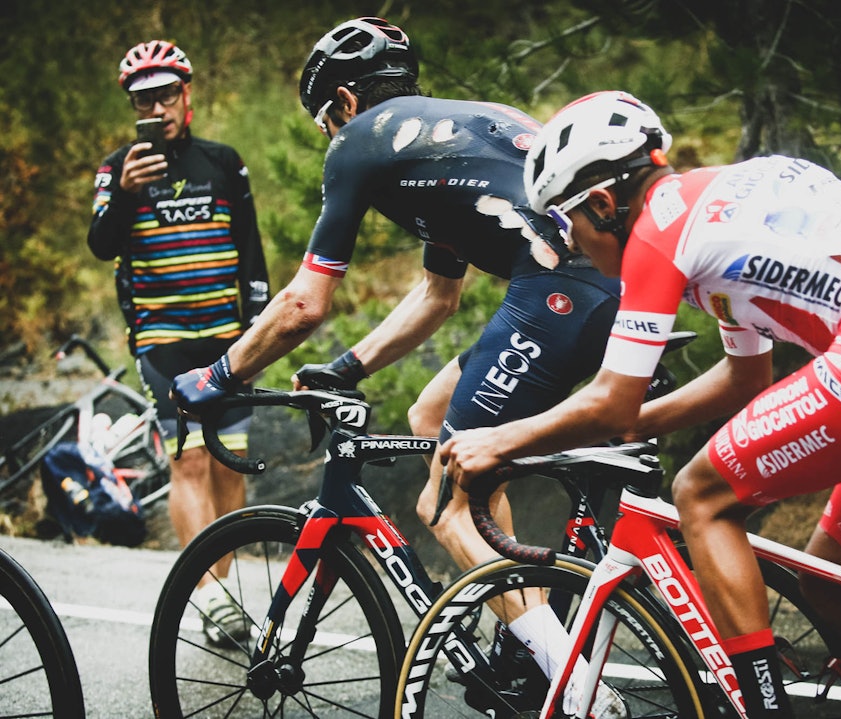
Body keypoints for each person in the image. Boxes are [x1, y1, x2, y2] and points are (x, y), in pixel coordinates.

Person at [440, 91, 841, 717]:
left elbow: (611, 399)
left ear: (602, 204)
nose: (569, 245)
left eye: (566, 223)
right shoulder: (714, 206)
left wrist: (500, 440)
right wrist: (602, 435)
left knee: (701, 495)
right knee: (829, 581)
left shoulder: (659, 229)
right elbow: (742, 379)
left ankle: (762, 708)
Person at [170, 18, 626, 715]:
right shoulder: (449, 137)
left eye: (326, 121)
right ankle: (530, 637)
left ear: (345, 103)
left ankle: (569, 686)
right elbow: (439, 296)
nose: (332, 137)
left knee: (443, 503)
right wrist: (347, 368)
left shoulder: (360, 141)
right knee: (431, 418)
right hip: (602, 288)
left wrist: (217, 376)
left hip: (557, 295)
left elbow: (303, 303)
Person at [88, 40, 270, 646]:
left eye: (166, 94)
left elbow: (250, 247)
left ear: (186, 95)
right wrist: (124, 194)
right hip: (163, 340)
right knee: (188, 459)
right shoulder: (117, 169)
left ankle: (222, 596)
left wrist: (262, 324)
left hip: (228, 339)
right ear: (132, 106)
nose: (158, 107)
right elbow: (101, 244)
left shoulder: (224, 161)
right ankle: (213, 597)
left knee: (229, 464)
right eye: (145, 98)